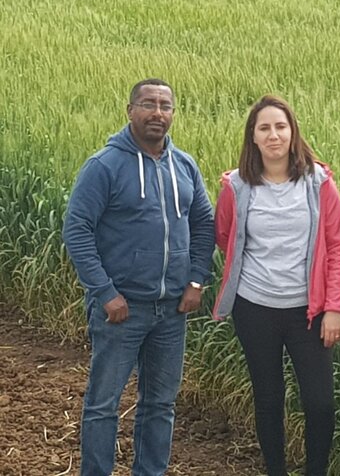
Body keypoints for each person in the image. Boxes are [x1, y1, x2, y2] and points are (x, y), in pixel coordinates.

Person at [62, 78, 215, 475]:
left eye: (166, 106)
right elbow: (77, 229)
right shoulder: (105, 166)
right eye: (148, 104)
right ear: (130, 110)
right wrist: (105, 293)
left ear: (173, 115)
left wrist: (197, 279)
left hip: (171, 311)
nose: (157, 113)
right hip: (121, 310)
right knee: (103, 405)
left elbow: (203, 223)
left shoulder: (185, 165)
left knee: (160, 405)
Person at [213, 94, 340, 476]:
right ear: (253, 138)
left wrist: (336, 308)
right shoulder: (236, 186)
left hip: (309, 311)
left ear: (292, 132)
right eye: (264, 128)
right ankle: (276, 470)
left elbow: (339, 247)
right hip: (254, 308)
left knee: (320, 403)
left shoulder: (319, 183)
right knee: (269, 398)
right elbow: (227, 238)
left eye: (280, 126)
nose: (273, 135)